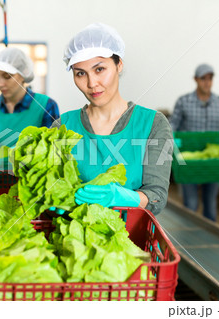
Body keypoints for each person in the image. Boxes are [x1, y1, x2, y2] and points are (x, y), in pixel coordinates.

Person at [49, 23, 173, 216]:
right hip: (73, 239)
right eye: (80, 73)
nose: (92, 84)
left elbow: (157, 196)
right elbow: (51, 184)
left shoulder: (152, 124)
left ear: (119, 65)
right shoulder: (62, 126)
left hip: (132, 240)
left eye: (99, 69)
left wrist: (125, 198)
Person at [169, 63, 219, 221]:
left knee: (210, 205)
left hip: (213, 162)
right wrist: (171, 137)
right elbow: (172, 124)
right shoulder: (184, 102)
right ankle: (189, 241)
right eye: (203, 78)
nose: (207, 82)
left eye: (210, 78)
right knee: (191, 205)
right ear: (195, 79)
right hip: (189, 162)